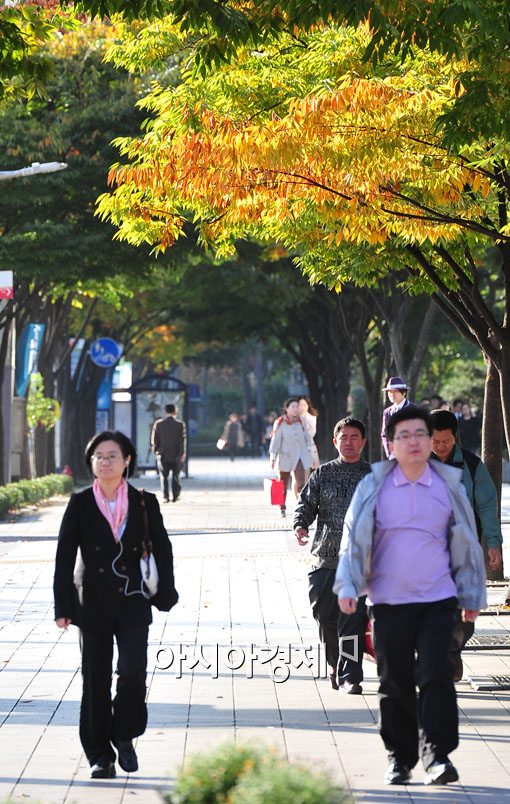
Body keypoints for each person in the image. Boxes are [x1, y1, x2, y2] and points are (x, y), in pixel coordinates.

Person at [334, 407, 486, 787]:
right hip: (389, 602)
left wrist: (471, 593)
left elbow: (467, 541)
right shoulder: (373, 485)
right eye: (405, 435)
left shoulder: (449, 484)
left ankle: (437, 756)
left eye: (421, 434)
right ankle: (399, 758)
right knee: (395, 680)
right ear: (390, 443)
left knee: (436, 673)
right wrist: (349, 584)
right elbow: (353, 538)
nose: (415, 441)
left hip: (438, 600)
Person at [53, 431, 178, 779]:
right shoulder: (79, 503)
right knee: (95, 677)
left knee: (133, 672)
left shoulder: (143, 501)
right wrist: (62, 606)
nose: (105, 461)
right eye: (99, 456)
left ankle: (124, 734)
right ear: (91, 463)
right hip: (90, 601)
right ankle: (99, 755)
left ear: (126, 461)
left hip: (133, 598)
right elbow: (64, 557)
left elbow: (162, 548)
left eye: (112, 455)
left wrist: (165, 592)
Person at [294, 418, 371, 693]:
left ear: (363, 442)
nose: (349, 442)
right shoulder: (323, 474)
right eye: (344, 437)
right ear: (335, 441)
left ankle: (351, 674)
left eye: (354, 437)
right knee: (325, 617)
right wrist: (301, 525)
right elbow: (306, 504)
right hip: (324, 559)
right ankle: (334, 663)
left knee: (352, 619)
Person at [430, 409, 502, 680]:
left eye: (445, 442)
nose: (439, 447)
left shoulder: (472, 466)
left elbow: (487, 505)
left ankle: (453, 648)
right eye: (434, 441)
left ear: (455, 438)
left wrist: (493, 544)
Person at [269, 397, 312, 517]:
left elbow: (307, 437)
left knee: (301, 482)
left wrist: (309, 451)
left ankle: (302, 507)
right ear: (286, 409)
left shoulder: (302, 421)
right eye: (293, 406)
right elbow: (275, 441)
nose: (296, 409)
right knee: (282, 483)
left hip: (300, 456)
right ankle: (282, 507)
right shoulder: (280, 422)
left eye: (297, 406)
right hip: (285, 457)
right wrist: (273, 457)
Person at [151, 404, 187, 502]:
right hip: (176, 454)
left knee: (164, 476)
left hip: (163, 454)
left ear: (165, 412)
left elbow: (154, 440)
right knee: (176, 475)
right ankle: (175, 496)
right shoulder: (180, 425)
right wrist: (182, 454)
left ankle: (166, 496)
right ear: (175, 412)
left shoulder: (158, 424)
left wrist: (157, 451)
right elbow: (182, 441)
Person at [380, 376, 415, 458]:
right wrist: (390, 454)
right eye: (389, 392)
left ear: (404, 393)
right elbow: (384, 435)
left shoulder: (413, 410)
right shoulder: (387, 412)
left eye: (395, 391)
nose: (391, 394)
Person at [298, 395, 320, 469]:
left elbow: (313, 432)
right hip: (295, 446)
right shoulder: (294, 418)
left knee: (310, 468)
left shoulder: (311, 418)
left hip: (309, 446)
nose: (302, 407)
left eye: (304, 405)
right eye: (300, 405)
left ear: (308, 406)